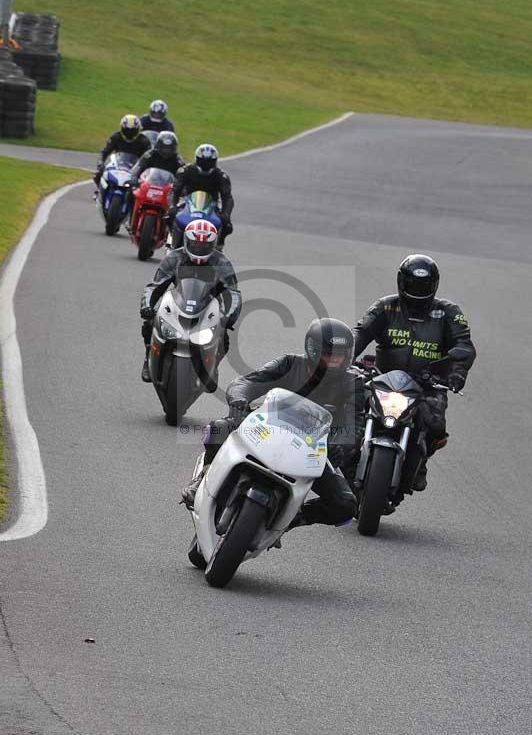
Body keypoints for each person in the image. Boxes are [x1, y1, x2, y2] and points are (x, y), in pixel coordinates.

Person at [182, 318, 364, 529]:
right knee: (219, 429)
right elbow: (246, 382)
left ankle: (292, 519)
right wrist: (239, 401)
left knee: (345, 505)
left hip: (314, 451)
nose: (334, 361)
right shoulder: (289, 363)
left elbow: (355, 425)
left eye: (339, 356)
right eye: (328, 354)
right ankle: (204, 476)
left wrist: (340, 448)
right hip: (267, 431)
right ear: (313, 350)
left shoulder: (353, 383)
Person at [352, 253, 476, 498]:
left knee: (435, 424)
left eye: (424, 285)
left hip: (427, 385)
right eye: (413, 283)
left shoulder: (448, 312)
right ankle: (337, 460)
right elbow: (360, 333)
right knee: (349, 406)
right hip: (381, 379)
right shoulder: (385, 306)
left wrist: (456, 372)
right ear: (402, 281)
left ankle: (419, 463)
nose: (418, 289)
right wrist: (344, 358)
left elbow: (464, 345)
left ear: (434, 285)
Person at [139, 219, 241, 383]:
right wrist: (147, 306)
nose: (199, 249)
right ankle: (148, 357)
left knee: (224, 336)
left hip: (208, 307)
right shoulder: (174, 257)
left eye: (205, 246)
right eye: (195, 245)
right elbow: (155, 285)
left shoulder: (222, 263)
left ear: (213, 244)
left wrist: (229, 316)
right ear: (186, 241)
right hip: (178, 302)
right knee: (151, 322)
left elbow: (233, 293)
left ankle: (213, 367)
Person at [168, 144, 234, 247]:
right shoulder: (186, 170)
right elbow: (175, 191)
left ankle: (218, 245)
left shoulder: (221, 176)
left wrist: (226, 214)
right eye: (203, 161)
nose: (205, 165)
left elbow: (227, 197)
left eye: (209, 162)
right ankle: (172, 240)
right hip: (188, 203)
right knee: (170, 215)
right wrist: (172, 205)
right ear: (197, 159)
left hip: (211, 206)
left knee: (227, 224)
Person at [93, 115, 150, 186]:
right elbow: (105, 151)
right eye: (127, 130)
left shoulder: (144, 141)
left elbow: (149, 157)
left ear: (138, 129)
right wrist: (100, 163)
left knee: (144, 184)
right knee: (98, 175)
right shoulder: (116, 137)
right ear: (122, 128)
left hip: (135, 169)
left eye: (132, 130)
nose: (130, 133)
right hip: (116, 165)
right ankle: (99, 193)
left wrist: (146, 171)